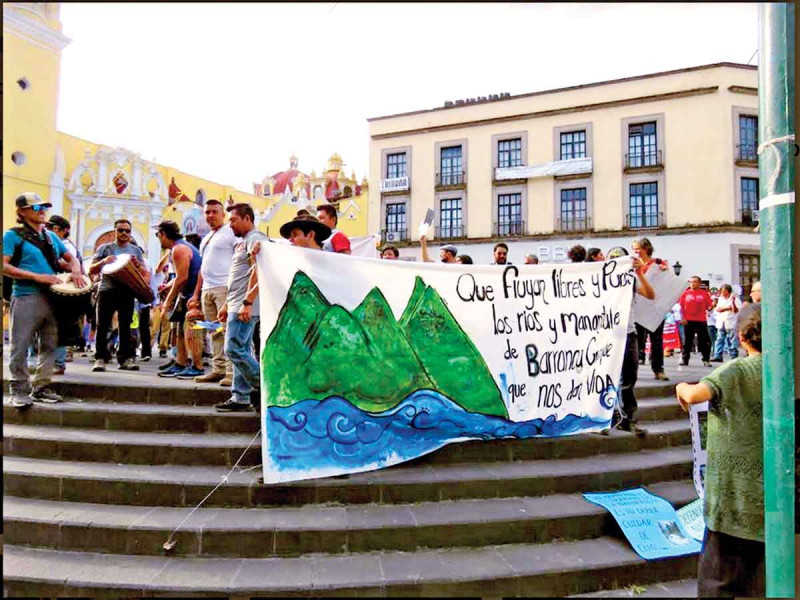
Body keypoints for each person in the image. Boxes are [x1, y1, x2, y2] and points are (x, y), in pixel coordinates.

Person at [675, 304, 764, 598]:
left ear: (740, 337)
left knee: (717, 580)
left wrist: (682, 388)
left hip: (732, 498)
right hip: (772, 502)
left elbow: (697, 394)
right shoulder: (785, 370)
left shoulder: (737, 369)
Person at [4, 193, 86, 408]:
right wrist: (37, 277)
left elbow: (71, 258)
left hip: (53, 297)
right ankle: (19, 390)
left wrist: (76, 270)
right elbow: (4, 265)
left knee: (50, 344)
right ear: (22, 211)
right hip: (25, 295)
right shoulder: (12, 235)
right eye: (36, 207)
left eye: (44, 207)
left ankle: (41, 387)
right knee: (19, 346)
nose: (42, 211)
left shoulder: (51, 237)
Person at [213, 203, 272, 412]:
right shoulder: (245, 242)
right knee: (243, 348)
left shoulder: (255, 239)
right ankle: (240, 397)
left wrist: (247, 302)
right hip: (237, 303)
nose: (230, 225)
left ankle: (267, 388)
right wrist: (229, 303)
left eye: (233, 220)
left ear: (247, 218)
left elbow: (258, 272)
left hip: (246, 306)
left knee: (234, 348)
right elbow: (240, 275)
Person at [605, 246, 655, 435]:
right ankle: (607, 418)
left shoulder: (631, 279)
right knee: (607, 377)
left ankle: (629, 419)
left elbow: (650, 295)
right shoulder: (601, 279)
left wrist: (640, 273)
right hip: (607, 334)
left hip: (629, 332)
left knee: (629, 377)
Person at [89, 219, 148, 372]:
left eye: (127, 231)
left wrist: (137, 265)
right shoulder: (104, 248)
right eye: (120, 230)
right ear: (114, 231)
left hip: (127, 291)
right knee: (102, 325)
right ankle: (100, 358)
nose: (124, 233)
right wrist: (103, 262)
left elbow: (143, 273)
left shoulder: (135, 250)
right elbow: (91, 270)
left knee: (125, 326)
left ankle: (125, 359)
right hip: (106, 290)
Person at [188, 199, 237, 385]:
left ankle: (232, 373)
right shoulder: (207, 237)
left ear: (222, 214)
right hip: (207, 289)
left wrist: (233, 290)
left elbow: (239, 260)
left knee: (227, 331)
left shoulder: (231, 232)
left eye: (214, 212)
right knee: (213, 331)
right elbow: (202, 268)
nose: (210, 215)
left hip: (224, 288)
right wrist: (195, 294)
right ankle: (218, 369)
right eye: (207, 212)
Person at [154, 220, 204, 379]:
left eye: (158, 235)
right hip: (186, 294)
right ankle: (180, 362)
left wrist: (168, 301)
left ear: (163, 234)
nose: (158, 238)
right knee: (178, 331)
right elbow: (179, 276)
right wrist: (169, 285)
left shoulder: (179, 249)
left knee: (191, 331)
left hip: (192, 294)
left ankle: (197, 365)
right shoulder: (176, 249)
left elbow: (182, 278)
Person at [46, 215, 85, 373]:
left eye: (50, 228)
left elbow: (71, 265)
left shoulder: (64, 246)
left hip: (60, 291)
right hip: (52, 288)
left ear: (57, 230)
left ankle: (58, 362)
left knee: (58, 327)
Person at [631, 237, 670, 381]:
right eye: (634, 249)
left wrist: (664, 271)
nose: (635, 251)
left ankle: (658, 370)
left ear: (646, 248)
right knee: (637, 342)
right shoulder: (632, 264)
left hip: (656, 308)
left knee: (657, 341)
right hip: (639, 308)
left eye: (637, 248)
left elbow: (666, 281)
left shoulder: (658, 263)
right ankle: (633, 370)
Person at [678, 275, 714, 367]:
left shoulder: (704, 294)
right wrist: (682, 318)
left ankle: (706, 359)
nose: (692, 284)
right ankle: (685, 359)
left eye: (694, 282)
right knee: (687, 341)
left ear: (699, 283)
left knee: (705, 341)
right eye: (691, 282)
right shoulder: (685, 294)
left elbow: (709, 307)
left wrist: (712, 305)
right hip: (688, 320)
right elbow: (680, 307)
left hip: (701, 320)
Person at [711, 284, 739, 362]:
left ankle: (734, 356)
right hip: (721, 322)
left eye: (723, 291)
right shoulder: (721, 299)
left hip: (731, 322)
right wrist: (728, 308)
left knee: (732, 340)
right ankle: (718, 356)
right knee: (719, 339)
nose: (722, 292)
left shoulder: (735, 299)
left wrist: (732, 304)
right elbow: (718, 309)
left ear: (727, 291)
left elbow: (736, 310)